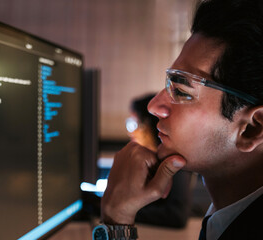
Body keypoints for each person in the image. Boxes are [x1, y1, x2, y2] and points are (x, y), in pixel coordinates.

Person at [95, 0, 263, 239]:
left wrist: (116, 220)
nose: (154, 106)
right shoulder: (229, 216)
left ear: (252, 129)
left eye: (182, 92)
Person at [127, 94, 192, 228]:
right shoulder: (150, 160)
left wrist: (124, 211)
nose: (131, 133)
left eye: (133, 124)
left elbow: (176, 215)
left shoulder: (174, 160)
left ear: (149, 125)